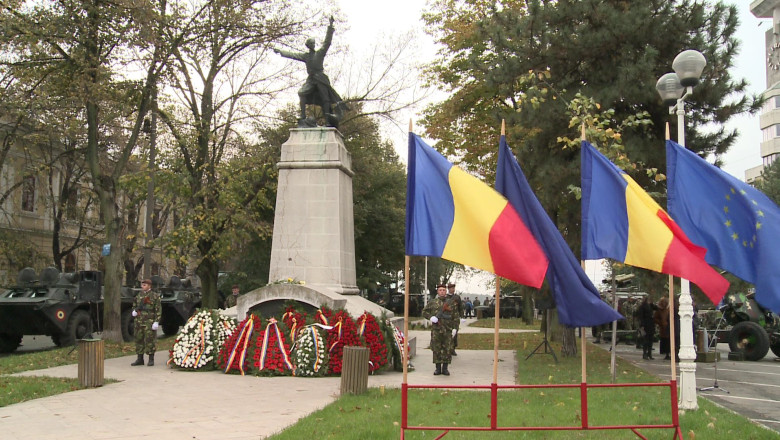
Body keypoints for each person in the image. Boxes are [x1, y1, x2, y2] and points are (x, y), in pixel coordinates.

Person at [272, 16, 349, 128]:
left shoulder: (320, 53)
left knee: (325, 99)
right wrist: (280, 51)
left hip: (321, 78)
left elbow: (327, 42)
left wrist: (330, 27)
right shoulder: (306, 56)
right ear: (308, 46)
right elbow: (293, 55)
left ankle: (328, 120)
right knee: (301, 93)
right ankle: (302, 117)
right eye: (311, 44)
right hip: (312, 79)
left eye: (313, 43)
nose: (313, 45)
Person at [421, 284, 458, 376]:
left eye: (443, 290)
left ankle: (445, 368)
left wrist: (455, 328)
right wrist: (431, 317)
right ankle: (437, 368)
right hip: (436, 329)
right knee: (436, 348)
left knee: (447, 348)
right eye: (440, 290)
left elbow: (455, 316)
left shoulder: (451, 303)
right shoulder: (433, 302)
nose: (442, 292)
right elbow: (424, 312)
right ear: (438, 292)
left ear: (446, 292)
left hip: (448, 329)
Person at [131, 279, 162, 366]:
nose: (142, 286)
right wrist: (134, 311)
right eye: (142, 285)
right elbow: (134, 305)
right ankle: (140, 359)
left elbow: (158, 310)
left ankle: (151, 359)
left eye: (144, 285)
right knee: (138, 339)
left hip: (149, 321)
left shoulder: (154, 296)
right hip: (139, 321)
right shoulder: (139, 295)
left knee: (150, 340)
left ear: (149, 286)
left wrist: (156, 321)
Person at [637, 295, 657, 360]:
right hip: (645, 324)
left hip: (651, 324)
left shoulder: (651, 306)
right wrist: (642, 325)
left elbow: (656, 308)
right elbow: (640, 316)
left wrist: (652, 304)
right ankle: (644, 353)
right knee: (646, 340)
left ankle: (649, 353)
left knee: (650, 340)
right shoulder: (642, 306)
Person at [447, 283, 463, 356]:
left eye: (453, 288)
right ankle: (447, 349)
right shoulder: (446, 297)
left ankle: (453, 348)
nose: (453, 289)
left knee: (454, 333)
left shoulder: (457, 297)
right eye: (451, 288)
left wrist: (462, 316)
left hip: (455, 319)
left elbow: (460, 307)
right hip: (447, 318)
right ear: (449, 289)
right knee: (447, 333)